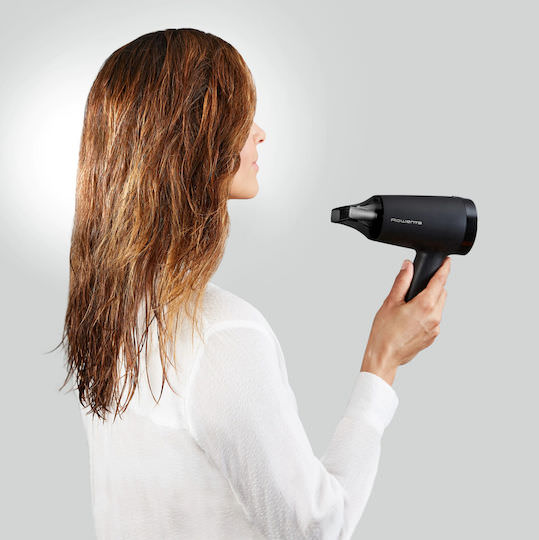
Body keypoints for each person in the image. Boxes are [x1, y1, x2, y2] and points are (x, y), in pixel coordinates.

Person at [58, 28, 450, 540]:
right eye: (241, 118)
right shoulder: (222, 336)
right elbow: (316, 527)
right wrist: (383, 361)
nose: (260, 133)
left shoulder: (111, 310)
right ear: (194, 142)